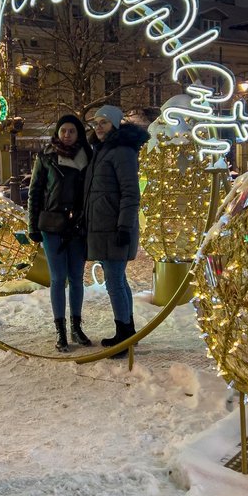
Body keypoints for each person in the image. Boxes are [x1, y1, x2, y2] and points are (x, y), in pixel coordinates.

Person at [82, 105, 149, 358]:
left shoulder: (121, 151)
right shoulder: (102, 151)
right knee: (118, 280)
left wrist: (123, 226)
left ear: (116, 125)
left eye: (104, 122)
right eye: (96, 123)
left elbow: (131, 193)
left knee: (114, 282)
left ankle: (124, 335)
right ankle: (127, 331)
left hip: (114, 228)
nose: (98, 127)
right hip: (104, 227)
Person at [28, 114, 93, 352]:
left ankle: (76, 327)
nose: (67, 135)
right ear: (57, 133)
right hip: (52, 225)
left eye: (72, 131)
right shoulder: (46, 157)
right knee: (57, 279)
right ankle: (61, 331)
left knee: (76, 278)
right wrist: (32, 226)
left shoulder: (88, 156)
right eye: (63, 130)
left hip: (78, 227)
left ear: (79, 134)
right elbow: (35, 193)